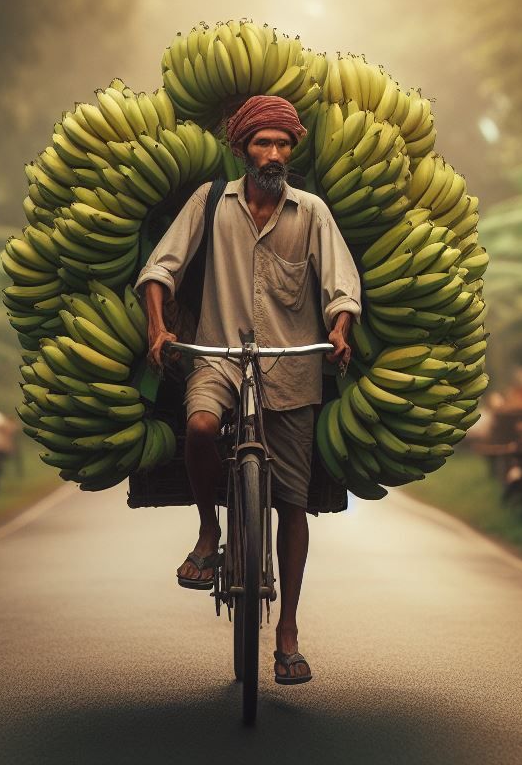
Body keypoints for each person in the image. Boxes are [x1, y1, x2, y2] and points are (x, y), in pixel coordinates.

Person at [135, 94, 362, 685]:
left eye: (284, 144)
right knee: (203, 426)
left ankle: (287, 631)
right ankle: (210, 531)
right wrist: (159, 329)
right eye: (263, 143)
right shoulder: (211, 204)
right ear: (241, 150)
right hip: (218, 355)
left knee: (292, 499)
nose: (275, 154)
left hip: (291, 365)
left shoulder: (310, 211)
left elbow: (342, 285)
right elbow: (161, 269)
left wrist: (340, 328)